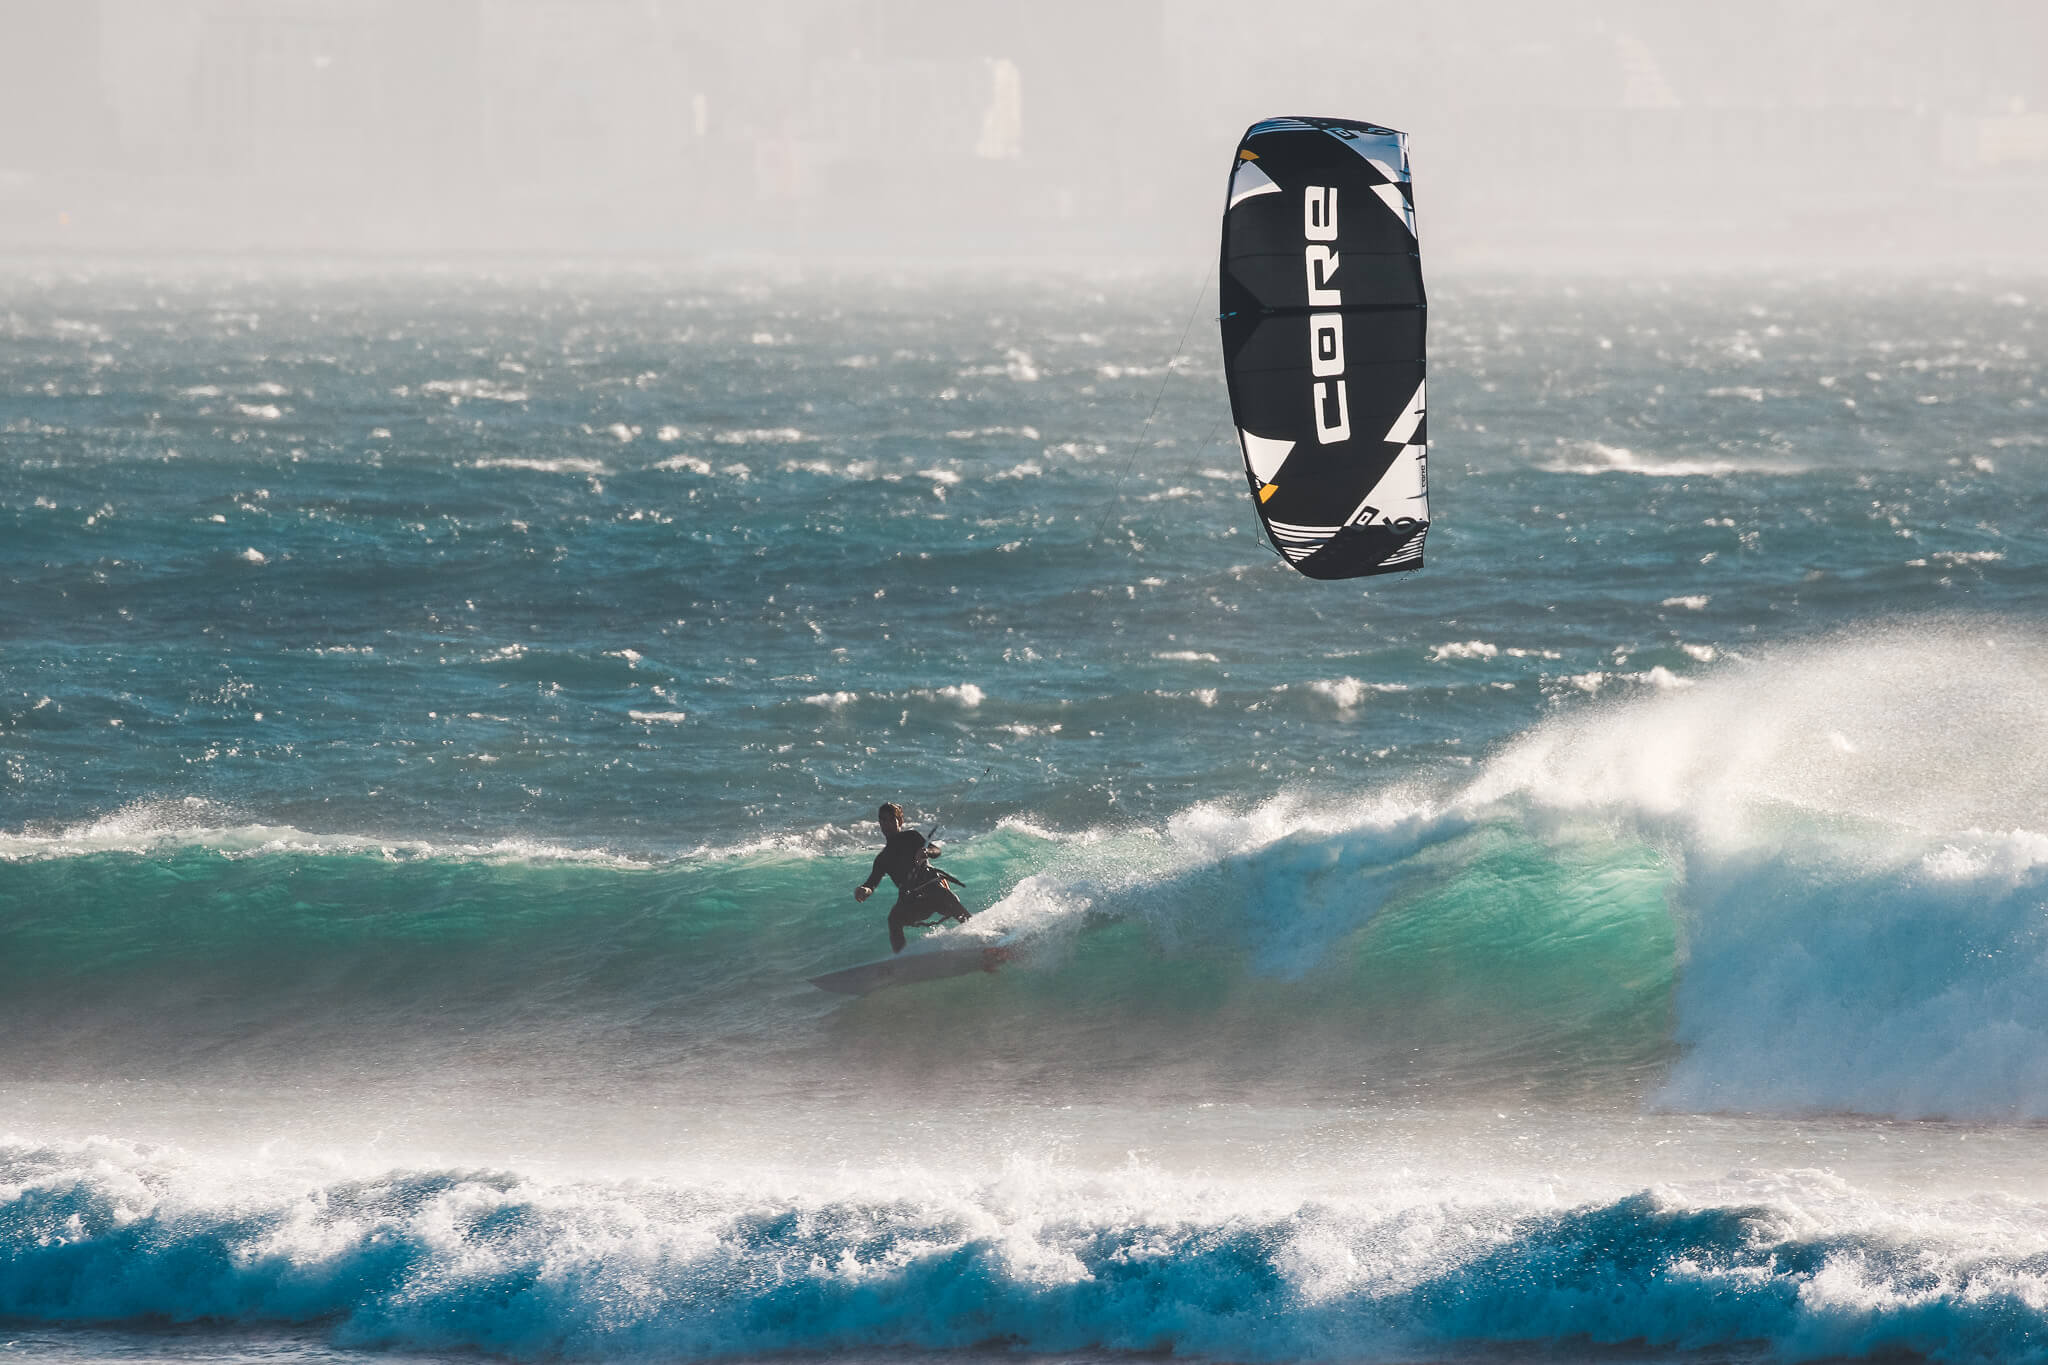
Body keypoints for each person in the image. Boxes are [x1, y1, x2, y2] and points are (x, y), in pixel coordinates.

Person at [854, 802, 969, 952]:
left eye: (891, 819)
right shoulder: (883, 858)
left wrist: (927, 852)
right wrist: (864, 890)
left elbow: (936, 850)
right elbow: (871, 883)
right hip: (914, 902)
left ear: (900, 821)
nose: (886, 824)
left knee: (947, 897)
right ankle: (901, 956)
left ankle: (976, 933)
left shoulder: (911, 837)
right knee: (894, 919)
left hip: (934, 892)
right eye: (883, 820)